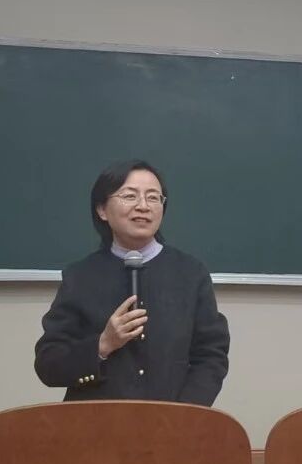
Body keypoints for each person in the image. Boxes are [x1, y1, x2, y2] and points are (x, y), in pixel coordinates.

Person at [34, 160, 230, 405]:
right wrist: (103, 344)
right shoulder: (80, 276)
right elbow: (48, 363)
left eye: (153, 197)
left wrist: (183, 414)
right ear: (102, 210)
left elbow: (211, 356)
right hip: (95, 422)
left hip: (173, 421)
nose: (143, 206)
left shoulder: (191, 273)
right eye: (130, 196)